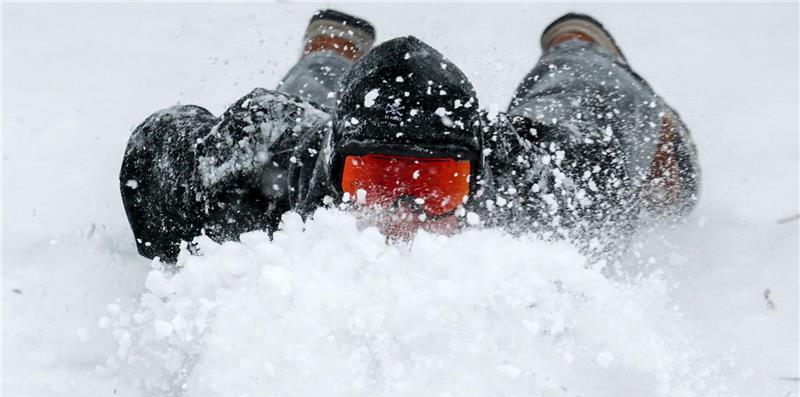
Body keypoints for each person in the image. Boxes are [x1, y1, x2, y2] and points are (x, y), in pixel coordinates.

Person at [120, 9, 700, 263]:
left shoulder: (537, 180)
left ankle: (578, 45)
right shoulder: (272, 166)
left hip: (547, 127)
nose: (402, 216)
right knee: (309, 107)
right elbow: (153, 151)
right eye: (375, 180)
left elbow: (605, 155)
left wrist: (651, 167)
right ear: (336, 168)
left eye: (433, 186)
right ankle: (331, 55)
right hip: (315, 129)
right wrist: (194, 194)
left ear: (474, 179)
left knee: (587, 95)